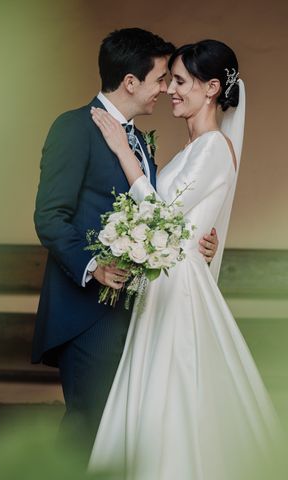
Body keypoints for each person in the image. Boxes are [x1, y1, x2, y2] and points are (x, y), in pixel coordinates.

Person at [89, 39, 282, 479]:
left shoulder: (213, 147)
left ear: (212, 87)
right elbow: (180, 221)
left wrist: (122, 150)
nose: (171, 90)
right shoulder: (189, 151)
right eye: (169, 80)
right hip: (160, 286)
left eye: (179, 81)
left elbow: (161, 217)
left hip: (180, 291)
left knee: (175, 391)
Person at [31, 28, 219, 450]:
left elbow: (154, 214)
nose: (166, 89)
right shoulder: (74, 128)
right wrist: (93, 266)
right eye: (160, 79)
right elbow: (50, 216)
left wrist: (193, 242)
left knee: (120, 433)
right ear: (131, 82)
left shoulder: (136, 140)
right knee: (89, 428)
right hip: (87, 315)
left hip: (133, 310)